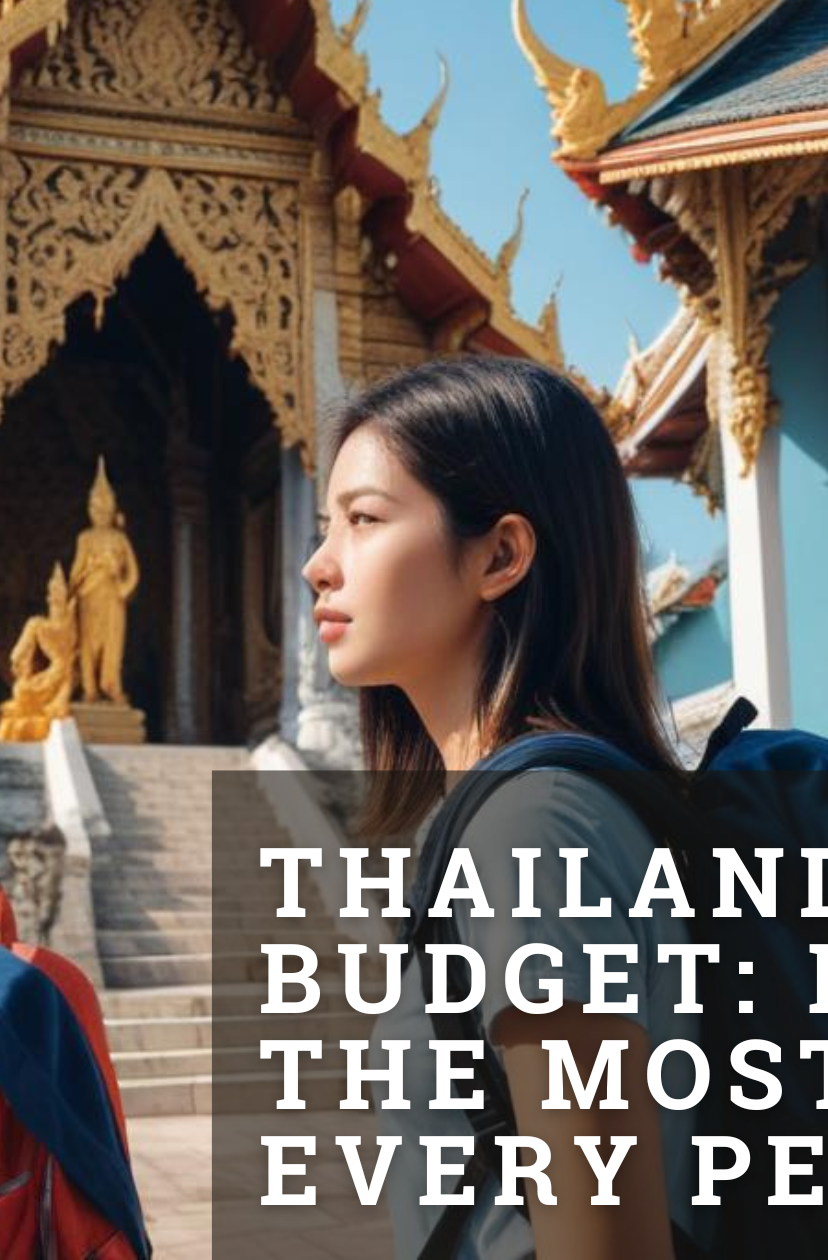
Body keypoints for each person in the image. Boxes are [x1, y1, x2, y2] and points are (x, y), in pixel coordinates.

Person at [301, 355, 700, 1260]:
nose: (318, 565)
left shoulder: (534, 830)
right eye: (329, 525)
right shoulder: (528, 812)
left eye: (363, 520)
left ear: (501, 555)